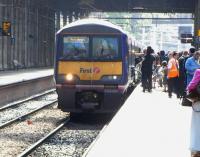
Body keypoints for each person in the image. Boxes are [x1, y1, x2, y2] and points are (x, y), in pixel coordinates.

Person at [187, 70, 200, 157]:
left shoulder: (198, 72)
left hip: (198, 103)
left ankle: (197, 150)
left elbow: (191, 87)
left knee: (197, 126)